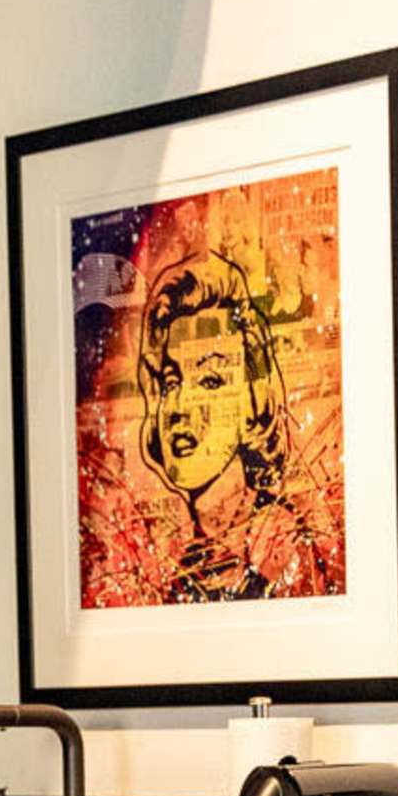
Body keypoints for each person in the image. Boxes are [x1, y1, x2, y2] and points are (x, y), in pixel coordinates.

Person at [128, 251, 340, 601]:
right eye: (170, 383)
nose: (181, 408)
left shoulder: (281, 547)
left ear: (251, 402)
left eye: (210, 381)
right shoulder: (183, 568)